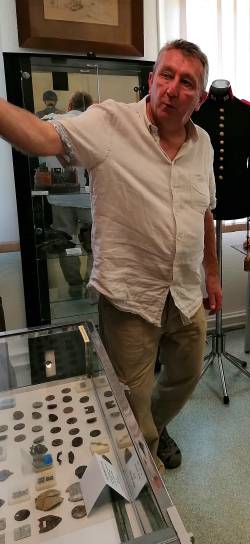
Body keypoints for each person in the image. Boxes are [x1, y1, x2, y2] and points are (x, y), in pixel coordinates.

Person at [0, 39, 222, 473]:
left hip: (184, 292)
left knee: (186, 375)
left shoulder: (204, 144)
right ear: (151, 79)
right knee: (131, 397)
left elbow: (205, 212)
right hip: (129, 296)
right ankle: (145, 467)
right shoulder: (110, 123)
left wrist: (212, 274)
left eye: (186, 82)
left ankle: (149, 430)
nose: (172, 88)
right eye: (166, 75)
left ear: (199, 99)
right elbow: (42, 137)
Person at [43, 91, 94, 297]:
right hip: (88, 199)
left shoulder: (52, 121)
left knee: (65, 241)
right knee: (93, 244)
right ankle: (92, 286)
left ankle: (74, 286)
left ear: (70, 105)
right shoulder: (93, 125)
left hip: (60, 197)